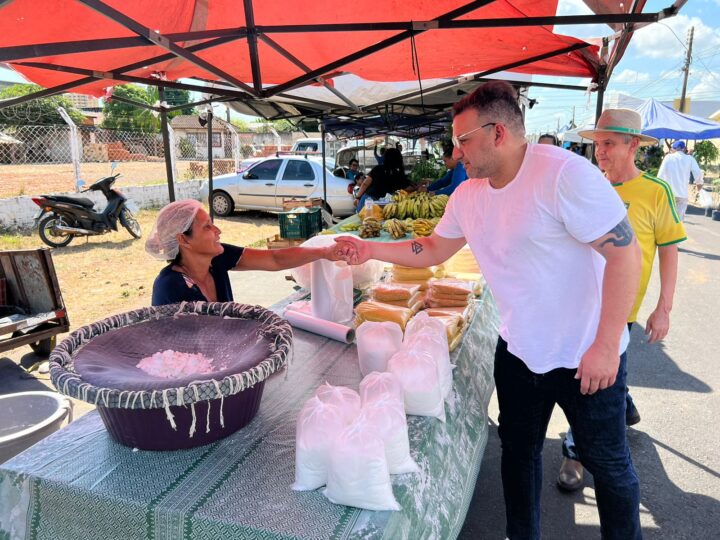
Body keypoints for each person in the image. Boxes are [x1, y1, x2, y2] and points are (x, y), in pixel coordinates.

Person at [335, 81, 643, 539]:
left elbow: (625, 254)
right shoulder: (468, 195)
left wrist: (604, 344)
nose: (457, 153)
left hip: (585, 354)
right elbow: (434, 248)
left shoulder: (563, 175)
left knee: (608, 466)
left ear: (497, 132)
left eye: (462, 140)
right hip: (520, 350)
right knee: (518, 456)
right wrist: (371, 249)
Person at [556, 109, 688, 492]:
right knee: (588, 380)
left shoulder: (654, 191)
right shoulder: (588, 186)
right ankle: (592, 432)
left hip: (620, 312)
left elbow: (668, 248)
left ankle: (576, 453)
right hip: (578, 308)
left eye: (609, 143)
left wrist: (663, 308)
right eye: (597, 144)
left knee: (595, 380)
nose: (600, 152)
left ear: (633, 145)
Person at [146, 199, 347, 306]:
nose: (218, 231)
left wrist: (325, 252)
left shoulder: (216, 258)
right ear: (183, 239)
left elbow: (274, 259)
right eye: (207, 227)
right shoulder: (170, 288)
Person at [657, 140, 704, 220]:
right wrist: (699, 183)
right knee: (678, 220)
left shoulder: (668, 157)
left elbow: (660, 175)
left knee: (666, 219)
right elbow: (697, 173)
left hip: (668, 193)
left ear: (674, 149)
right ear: (684, 148)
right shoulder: (690, 159)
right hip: (682, 195)